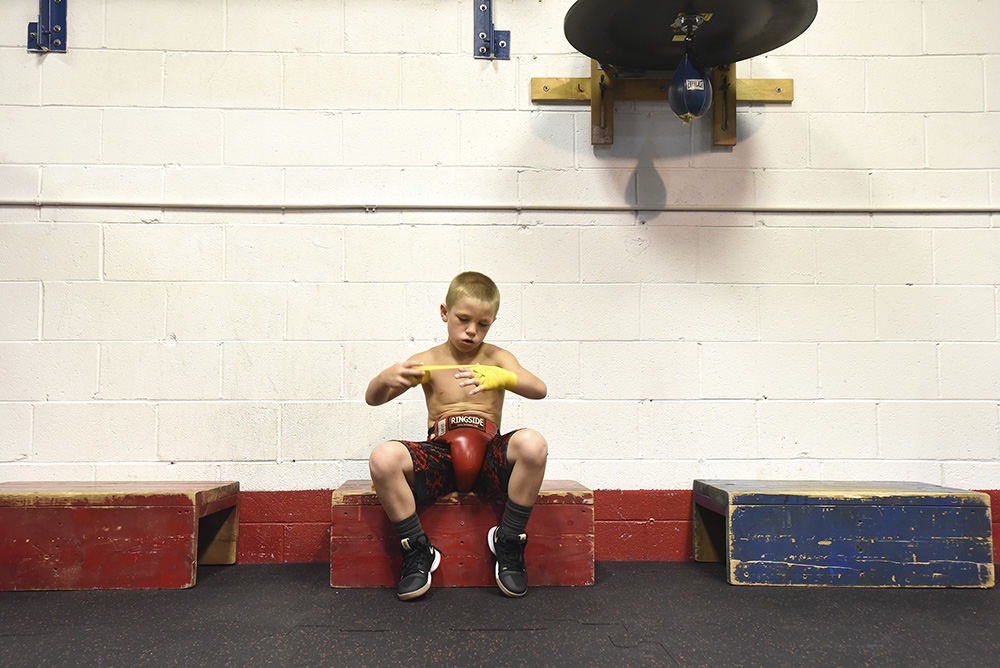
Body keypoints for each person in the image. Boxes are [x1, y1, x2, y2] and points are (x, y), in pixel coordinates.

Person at [365, 271, 548, 600]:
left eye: (483, 324)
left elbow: (539, 389)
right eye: (463, 319)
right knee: (382, 457)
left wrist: (503, 378)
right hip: (442, 459)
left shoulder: (497, 358)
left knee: (534, 444)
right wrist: (385, 376)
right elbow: (373, 398)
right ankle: (417, 550)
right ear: (444, 313)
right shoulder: (428, 360)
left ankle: (508, 539)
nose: (471, 331)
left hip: (489, 457)